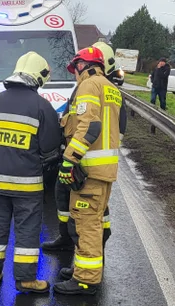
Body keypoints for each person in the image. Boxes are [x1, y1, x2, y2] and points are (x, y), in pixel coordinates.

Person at [0, 52, 62, 294]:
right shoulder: (42, 107)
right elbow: (50, 146)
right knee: (27, 231)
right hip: (27, 185)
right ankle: (25, 280)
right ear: (38, 77)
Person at [50, 42, 127, 281]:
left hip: (90, 170)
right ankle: (85, 271)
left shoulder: (88, 86)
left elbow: (89, 126)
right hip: (103, 169)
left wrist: (69, 160)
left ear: (82, 65)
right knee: (92, 220)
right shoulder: (109, 87)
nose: (74, 74)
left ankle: (86, 280)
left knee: (86, 223)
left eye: (75, 69)